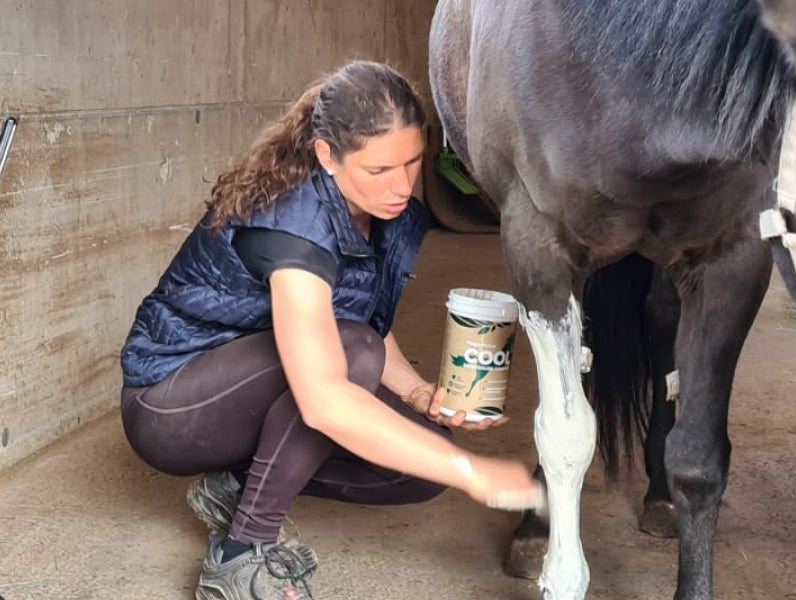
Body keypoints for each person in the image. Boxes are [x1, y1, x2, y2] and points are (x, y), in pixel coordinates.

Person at [118, 60, 542, 600]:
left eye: (412, 163)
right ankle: (240, 557)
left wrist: (417, 394)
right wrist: (471, 471)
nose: (402, 185)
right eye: (379, 170)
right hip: (170, 406)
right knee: (353, 364)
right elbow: (327, 387)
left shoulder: (381, 208)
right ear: (327, 156)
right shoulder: (293, 223)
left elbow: (352, 313)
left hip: (253, 392)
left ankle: (236, 485)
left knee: (419, 465)